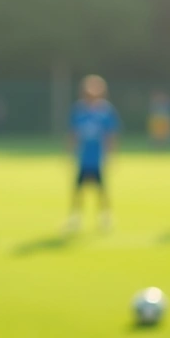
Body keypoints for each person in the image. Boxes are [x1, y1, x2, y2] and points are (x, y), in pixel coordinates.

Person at [66, 75, 120, 233]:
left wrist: (111, 155)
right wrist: (70, 153)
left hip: (98, 158)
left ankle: (105, 216)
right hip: (83, 158)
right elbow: (73, 133)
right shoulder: (79, 110)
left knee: (102, 189)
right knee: (78, 189)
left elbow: (111, 135)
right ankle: (75, 217)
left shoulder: (105, 111)